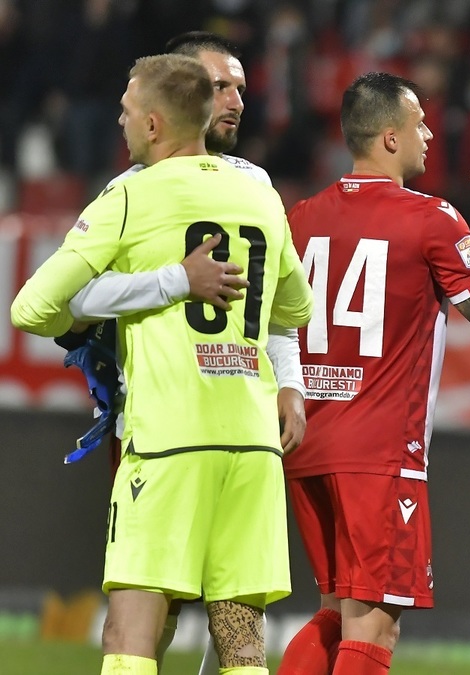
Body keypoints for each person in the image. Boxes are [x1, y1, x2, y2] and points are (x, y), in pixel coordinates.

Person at [10, 53, 313, 675]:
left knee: (130, 632)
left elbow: (33, 307)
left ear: (152, 125)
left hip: (169, 441)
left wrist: (170, 282)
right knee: (241, 641)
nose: (119, 123)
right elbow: (294, 309)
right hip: (252, 446)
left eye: (125, 113)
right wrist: (289, 385)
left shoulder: (131, 194)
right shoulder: (261, 194)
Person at [276, 72, 470, 675]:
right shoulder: (431, 218)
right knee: (375, 621)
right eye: (418, 124)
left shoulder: (301, 216)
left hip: (309, 443)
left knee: (335, 609)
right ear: (388, 138)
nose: (430, 134)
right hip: (380, 452)